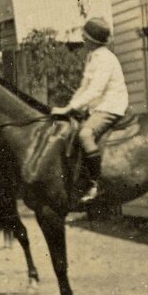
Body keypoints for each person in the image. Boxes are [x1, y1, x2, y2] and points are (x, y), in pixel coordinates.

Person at [59, 17, 128, 202]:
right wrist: (69, 107)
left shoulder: (105, 58)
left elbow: (96, 90)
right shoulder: (93, 57)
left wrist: (72, 107)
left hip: (110, 106)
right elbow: (84, 87)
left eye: (85, 36)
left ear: (92, 40)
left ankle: (96, 183)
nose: (82, 38)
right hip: (97, 106)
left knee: (85, 134)